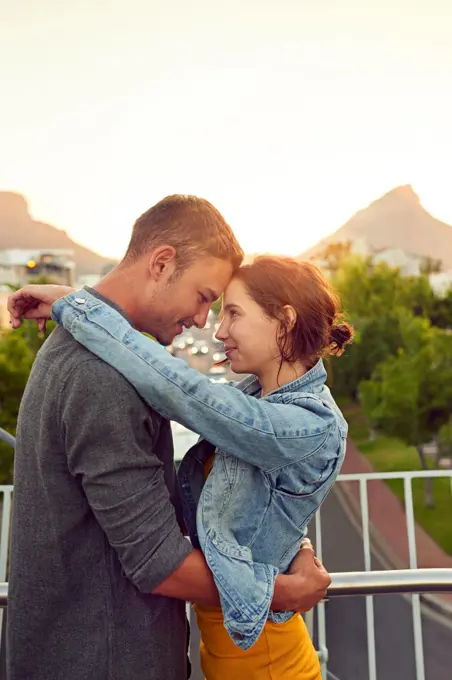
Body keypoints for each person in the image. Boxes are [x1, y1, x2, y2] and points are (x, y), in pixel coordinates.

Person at [6, 196, 331, 680]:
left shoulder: (93, 355)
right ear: (161, 263)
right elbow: (159, 562)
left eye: (226, 311)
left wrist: (78, 304)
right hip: (104, 661)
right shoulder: (100, 378)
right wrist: (285, 591)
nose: (205, 324)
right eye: (204, 297)